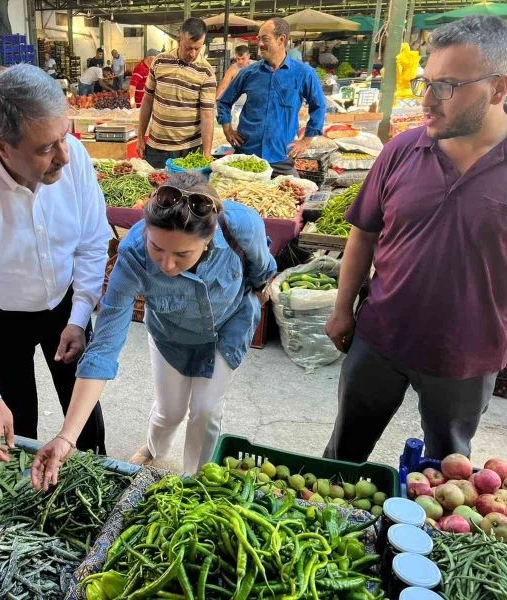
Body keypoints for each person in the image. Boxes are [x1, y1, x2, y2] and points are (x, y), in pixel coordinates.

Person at [323, 16, 507, 462]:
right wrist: (343, 309)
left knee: (447, 471)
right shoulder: (402, 150)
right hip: (380, 336)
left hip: (466, 355)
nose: (427, 99)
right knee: (342, 458)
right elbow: (363, 234)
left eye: (446, 86)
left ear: (499, 88)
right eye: (426, 82)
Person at [30, 172, 277, 486]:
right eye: (157, 248)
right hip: (169, 333)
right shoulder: (132, 254)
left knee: (205, 410)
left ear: (209, 238)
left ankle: (196, 479)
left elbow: (262, 268)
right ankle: (155, 447)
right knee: (171, 410)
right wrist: (67, 437)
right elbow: (104, 348)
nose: (167, 265)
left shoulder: (240, 225)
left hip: (227, 327)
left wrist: (258, 289)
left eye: (182, 255)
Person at [0, 64, 111, 461]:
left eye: (64, 136)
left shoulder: (72, 155)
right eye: (45, 149)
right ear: (1, 146)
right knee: (15, 422)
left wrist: (79, 316)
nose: (64, 155)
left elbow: (93, 243)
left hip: (65, 305)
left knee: (83, 414)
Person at [217, 18, 325, 177]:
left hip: (281, 158)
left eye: (265, 39)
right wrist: (227, 129)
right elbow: (224, 101)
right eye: (259, 39)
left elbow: (319, 107)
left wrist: (305, 140)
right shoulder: (248, 73)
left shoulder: (304, 73)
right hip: (247, 156)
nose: (259, 44)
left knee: (292, 195)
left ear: (281, 39)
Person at [137, 18, 217, 169]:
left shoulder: (206, 72)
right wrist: (140, 137)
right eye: (188, 47)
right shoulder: (160, 61)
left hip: (190, 150)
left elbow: (207, 115)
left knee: (189, 191)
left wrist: (206, 153)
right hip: (157, 147)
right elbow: (147, 100)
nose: (192, 53)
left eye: (197, 48)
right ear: (179, 39)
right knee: (156, 190)